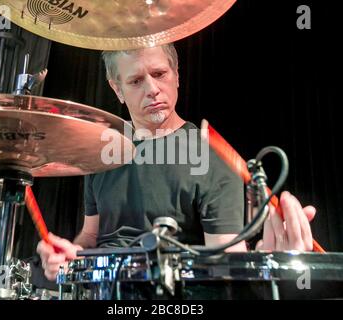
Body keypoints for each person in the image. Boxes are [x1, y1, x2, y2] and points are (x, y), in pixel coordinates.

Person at [37, 43, 316, 283]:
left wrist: (269, 258)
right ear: (117, 88)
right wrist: (68, 256)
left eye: (159, 74)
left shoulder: (212, 155)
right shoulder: (101, 149)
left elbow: (225, 263)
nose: (153, 89)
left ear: (177, 75)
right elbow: (91, 235)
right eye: (135, 81)